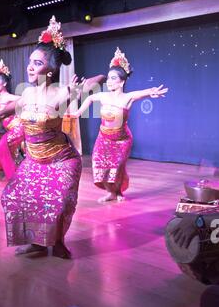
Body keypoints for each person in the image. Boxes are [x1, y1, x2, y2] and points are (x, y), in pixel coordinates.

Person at [1, 16, 83, 259]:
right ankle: (36, 243)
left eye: (37, 63)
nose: (30, 67)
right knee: (14, 197)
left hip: (61, 160)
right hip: (34, 160)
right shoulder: (26, 92)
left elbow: (93, 83)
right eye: (30, 62)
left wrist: (88, 85)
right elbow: (10, 108)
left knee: (57, 203)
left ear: (51, 68)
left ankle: (57, 242)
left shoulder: (61, 93)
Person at [71, 47, 168, 203]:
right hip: (103, 138)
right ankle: (111, 193)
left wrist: (152, 91)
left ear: (122, 81)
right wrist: (78, 113)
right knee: (99, 166)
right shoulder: (102, 96)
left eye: (113, 78)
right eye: (108, 78)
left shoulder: (127, 98)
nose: (109, 81)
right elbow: (89, 99)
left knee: (116, 169)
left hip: (122, 140)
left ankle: (118, 192)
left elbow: (144, 92)